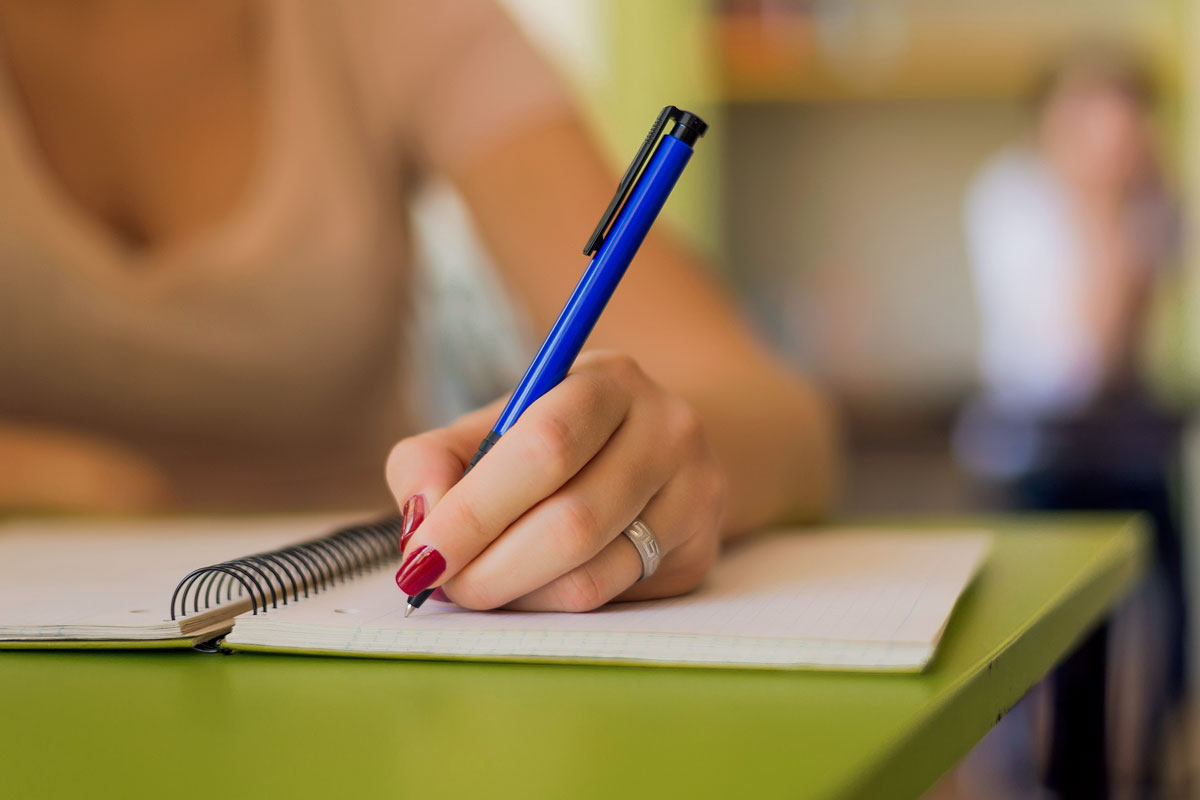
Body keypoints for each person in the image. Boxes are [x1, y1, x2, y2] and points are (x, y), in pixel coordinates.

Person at [0, 1, 836, 612]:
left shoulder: (395, 19)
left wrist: (640, 465)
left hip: (346, 610)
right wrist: (68, 478)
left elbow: (784, 424)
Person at [957, 50, 1185, 798]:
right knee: (1054, 647)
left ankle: (1143, 771)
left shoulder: (1157, 202)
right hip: (1038, 447)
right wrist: (1097, 209)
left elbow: (1121, 348)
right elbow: (1076, 361)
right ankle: (1044, 780)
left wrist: (1122, 210)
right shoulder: (1009, 197)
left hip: (1124, 442)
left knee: (1166, 627)